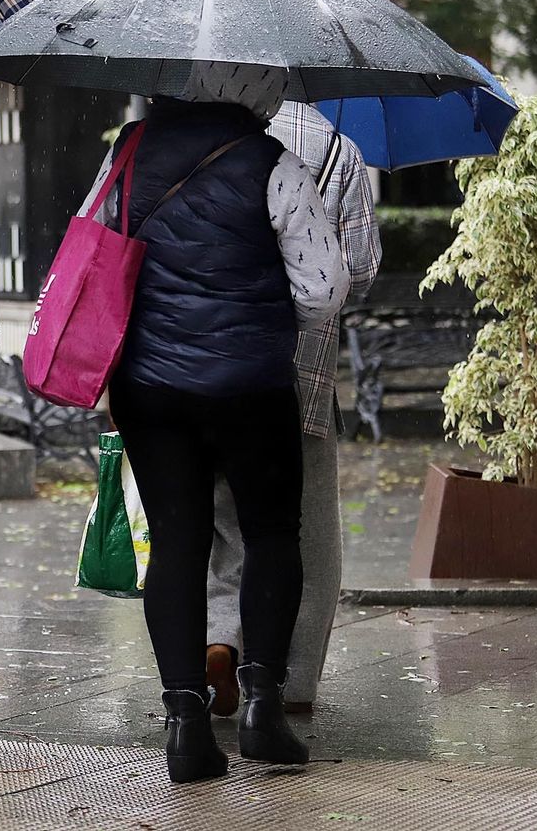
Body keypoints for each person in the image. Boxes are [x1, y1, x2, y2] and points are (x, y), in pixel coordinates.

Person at [81, 63, 350, 783]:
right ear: (254, 89)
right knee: (269, 534)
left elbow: (93, 246)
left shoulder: (127, 151)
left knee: (176, 541)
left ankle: (185, 729)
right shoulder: (276, 163)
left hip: (149, 386)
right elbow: (324, 290)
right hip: (249, 385)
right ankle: (263, 712)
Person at [203, 105, 381, 720]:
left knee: (220, 520)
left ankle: (219, 636)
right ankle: (292, 681)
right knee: (302, 528)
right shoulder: (337, 147)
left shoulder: (190, 132)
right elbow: (356, 269)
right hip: (299, 370)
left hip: (197, 362)